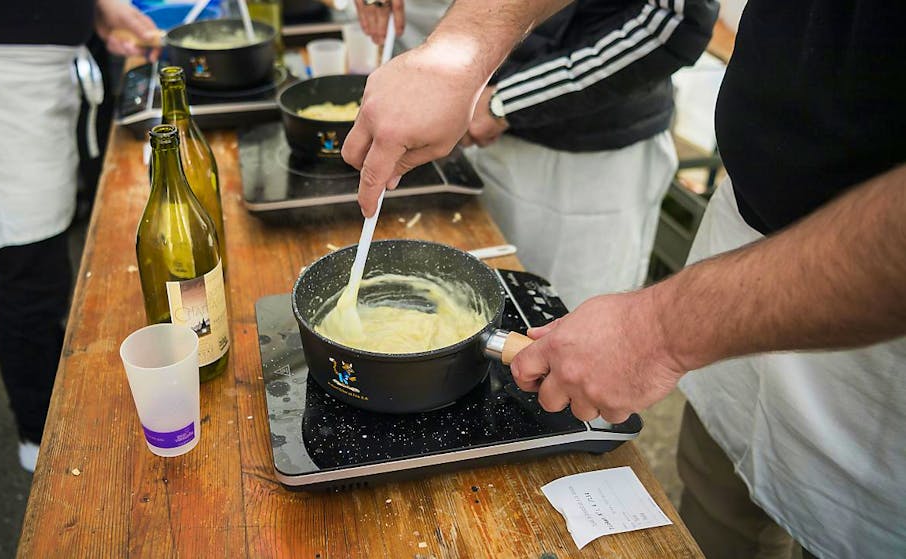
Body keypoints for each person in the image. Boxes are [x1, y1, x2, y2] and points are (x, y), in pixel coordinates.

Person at [342, 0, 906, 556]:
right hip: (743, 230)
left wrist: (660, 330)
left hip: (875, 329)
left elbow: (676, 17)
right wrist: (458, 51)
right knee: (720, 503)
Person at [0, 0, 159, 471]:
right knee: (31, 281)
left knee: (50, 265)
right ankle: (39, 436)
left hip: (45, 71)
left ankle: (54, 407)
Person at [353, 0, 716, 307]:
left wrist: (506, 100)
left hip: (582, 170)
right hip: (475, 118)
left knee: (562, 322)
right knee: (470, 300)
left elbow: (675, 22)